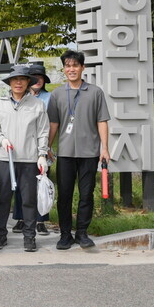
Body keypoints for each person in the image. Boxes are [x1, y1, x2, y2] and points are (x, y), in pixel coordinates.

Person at [47, 50, 110, 250]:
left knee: (86, 194)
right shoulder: (57, 94)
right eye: (68, 66)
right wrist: (47, 147)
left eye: (75, 65)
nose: (71, 69)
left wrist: (105, 148)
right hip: (65, 153)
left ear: (83, 67)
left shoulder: (95, 92)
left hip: (89, 152)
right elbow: (54, 123)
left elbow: (102, 121)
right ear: (64, 69)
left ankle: (82, 233)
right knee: (64, 195)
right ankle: (65, 234)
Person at [0, 64, 50, 252]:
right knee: (3, 199)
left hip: (29, 160)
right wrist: (2, 139)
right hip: (6, 159)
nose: (19, 83)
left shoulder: (37, 105)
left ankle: (29, 237)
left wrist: (42, 155)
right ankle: (0, 235)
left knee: (28, 200)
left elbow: (43, 132)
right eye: (15, 79)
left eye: (22, 79)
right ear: (10, 82)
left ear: (28, 82)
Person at [12, 62, 53, 234]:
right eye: (34, 77)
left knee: (41, 184)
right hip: (22, 148)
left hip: (43, 147)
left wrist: (47, 147)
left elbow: (52, 124)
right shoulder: (21, 96)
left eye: (40, 77)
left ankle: (41, 220)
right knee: (21, 186)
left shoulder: (50, 98)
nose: (38, 80)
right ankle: (21, 218)